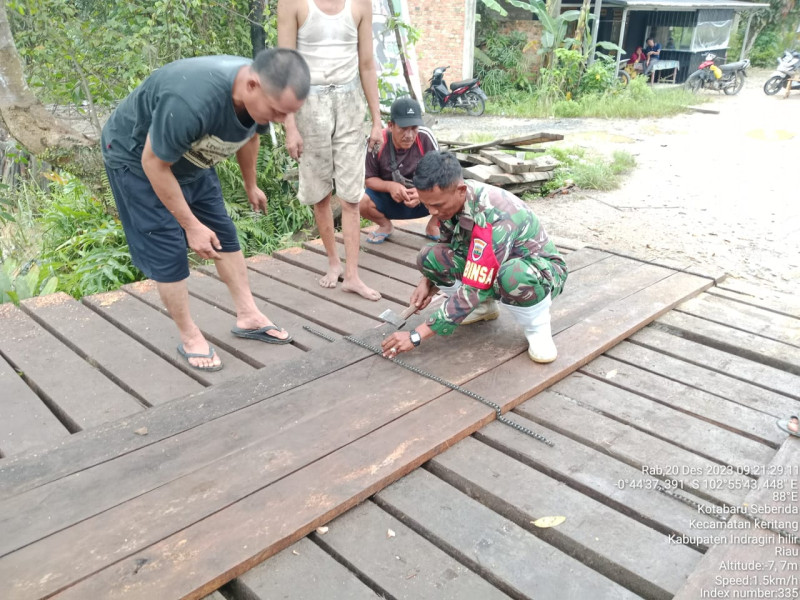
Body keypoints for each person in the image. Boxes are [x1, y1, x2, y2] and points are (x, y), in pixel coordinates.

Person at [101, 49, 310, 372]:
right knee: (168, 247)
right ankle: (190, 336)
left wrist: (250, 184)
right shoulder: (191, 102)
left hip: (193, 159)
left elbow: (251, 135)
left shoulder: (260, 101)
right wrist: (190, 225)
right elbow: (154, 164)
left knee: (224, 234)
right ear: (252, 85)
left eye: (287, 115)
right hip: (138, 161)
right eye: (277, 112)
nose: (281, 121)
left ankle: (249, 316)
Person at [381, 152, 568, 364]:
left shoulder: (494, 215)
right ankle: (483, 308)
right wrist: (427, 282)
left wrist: (416, 335)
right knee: (429, 257)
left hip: (538, 273)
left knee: (512, 276)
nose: (432, 211)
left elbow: (475, 285)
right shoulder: (450, 202)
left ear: (460, 190)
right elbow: (448, 244)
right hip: (487, 267)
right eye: (426, 204)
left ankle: (538, 328)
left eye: (438, 205)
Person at [278, 0, 384, 301]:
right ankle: (333, 262)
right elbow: (285, 66)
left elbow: (366, 64)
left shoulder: (360, 4)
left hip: (350, 103)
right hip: (308, 103)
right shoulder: (292, 4)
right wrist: (290, 125)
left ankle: (352, 275)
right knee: (320, 192)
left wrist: (377, 121)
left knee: (351, 194)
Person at [360, 97, 440, 244]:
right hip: (389, 199)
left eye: (413, 128)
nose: (409, 135)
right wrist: (390, 186)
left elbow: (441, 174)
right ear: (391, 125)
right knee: (359, 200)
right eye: (403, 128)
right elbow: (368, 179)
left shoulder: (425, 137)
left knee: (454, 190)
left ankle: (433, 225)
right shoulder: (377, 141)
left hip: (423, 200)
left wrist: (422, 193)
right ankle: (385, 225)